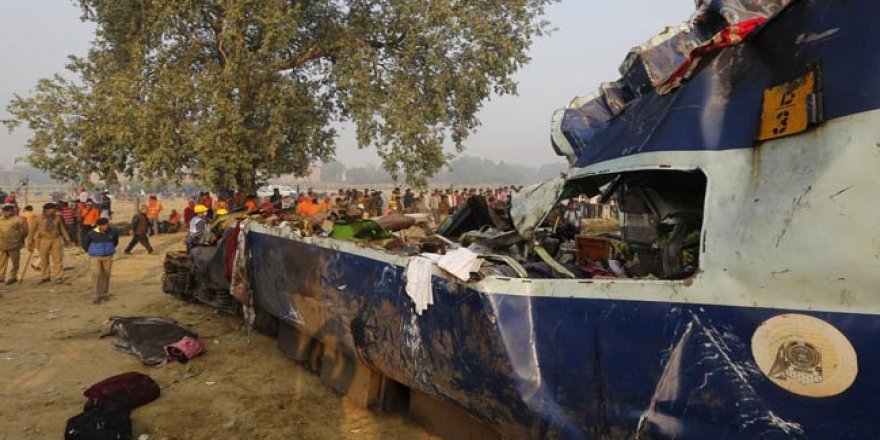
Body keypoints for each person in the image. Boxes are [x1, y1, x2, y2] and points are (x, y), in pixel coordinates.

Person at [26, 203, 71, 284]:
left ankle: (58, 277)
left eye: (54, 209)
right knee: (44, 259)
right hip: (43, 240)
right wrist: (29, 242)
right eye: (52, 209)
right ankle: (45, 277)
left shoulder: (58, 218)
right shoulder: (37, 219)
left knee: (57, 259)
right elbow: (32, 231)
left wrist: (67, 239)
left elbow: (62, 229)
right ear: (46, 210)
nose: (54, 210)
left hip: (56, 240)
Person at [82, 217, 118, 303]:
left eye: (106, 224)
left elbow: (115, 242)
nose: (106, 226)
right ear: (99, 226)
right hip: (95, 257)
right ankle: (96, 295)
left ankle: (104, 293)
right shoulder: (91, 234)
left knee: (106, 275)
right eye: (103, 225)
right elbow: (85, 244)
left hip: (108, 256)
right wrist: (92, 251)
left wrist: (110, 250)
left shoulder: (113, 231)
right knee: (96, 275)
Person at [0, 204, 28, 285]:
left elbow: (25, 232)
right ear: (3, 211)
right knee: (1, 262)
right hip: (1, 244)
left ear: (13, 211)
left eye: (10, 211)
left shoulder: (19, 220)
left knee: (15, 262)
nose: (8, 213)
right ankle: (1, 277)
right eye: (6, 211)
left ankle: (13, 277)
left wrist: (18, 238)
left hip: (14, 244)